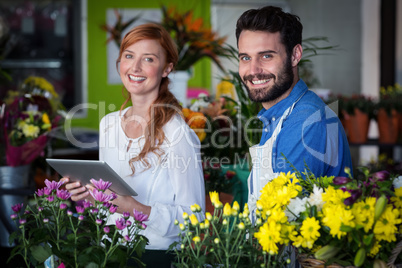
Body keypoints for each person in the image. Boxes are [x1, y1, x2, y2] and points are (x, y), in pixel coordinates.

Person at [62, 23, 205, 267]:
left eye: (148, 59)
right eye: (129, 56)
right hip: (109, 251)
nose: (135, 67)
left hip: (156, 258)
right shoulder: (109, 124)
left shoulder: (177, 132)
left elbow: (194, 218)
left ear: (166, 68)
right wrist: (89, 195)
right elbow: (110, 199)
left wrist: (136, 208)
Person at [235, 6, 353, 214]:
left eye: (266, 56)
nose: (253, 70)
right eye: (245, 58)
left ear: (295, 55)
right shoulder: (282, 115)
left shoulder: (305, 121)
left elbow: (286, 219)